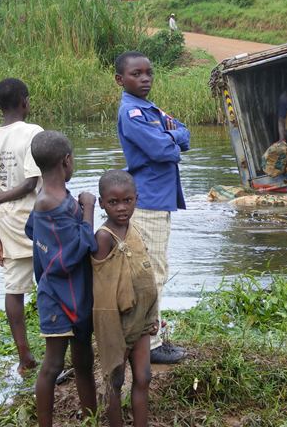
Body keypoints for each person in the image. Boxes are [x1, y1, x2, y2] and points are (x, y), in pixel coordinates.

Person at [115, 50, 189, 364]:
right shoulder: (132, 113)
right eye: (136, 74)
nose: (145, 79)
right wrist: (172, 138)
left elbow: (185, 134)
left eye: (148, 73)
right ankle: (153, 342)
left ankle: (148, 334)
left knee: (154, 269)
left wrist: (171, 136)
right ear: (120, 79)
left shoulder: (148, 109)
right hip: (149, 199)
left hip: (159, 198)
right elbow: (162, 149)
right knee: (153, 272)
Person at [25, 131, 97, 426]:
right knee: (53, 365)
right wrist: (88, 210)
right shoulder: (48, 203)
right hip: (57, 297)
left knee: (84, 361)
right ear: (66, 161)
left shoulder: (58, 199)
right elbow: (75, 250)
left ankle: (90, 418)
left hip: (76, 295)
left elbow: (32, 232)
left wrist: (77, 212)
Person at [0, 78, 43, 376]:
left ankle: (25, 356)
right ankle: (58, 342)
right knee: (51, 283)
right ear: (25, 102)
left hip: (6, 223)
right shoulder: (34, 133)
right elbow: (31, 182)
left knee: (14, 290)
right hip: (36, 221)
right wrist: (4, 195)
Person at [92, 170, 159, 427]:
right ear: (102, 203)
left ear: (136, 199)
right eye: (113, 202)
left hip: (140, 321)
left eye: (127, 201)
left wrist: (152, 316)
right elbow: (103, 286)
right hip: (117, 325)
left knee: (143, 377)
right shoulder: (104, 237)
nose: (121, 208)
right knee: (115, 380)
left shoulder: (134, 229)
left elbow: (146, 276)